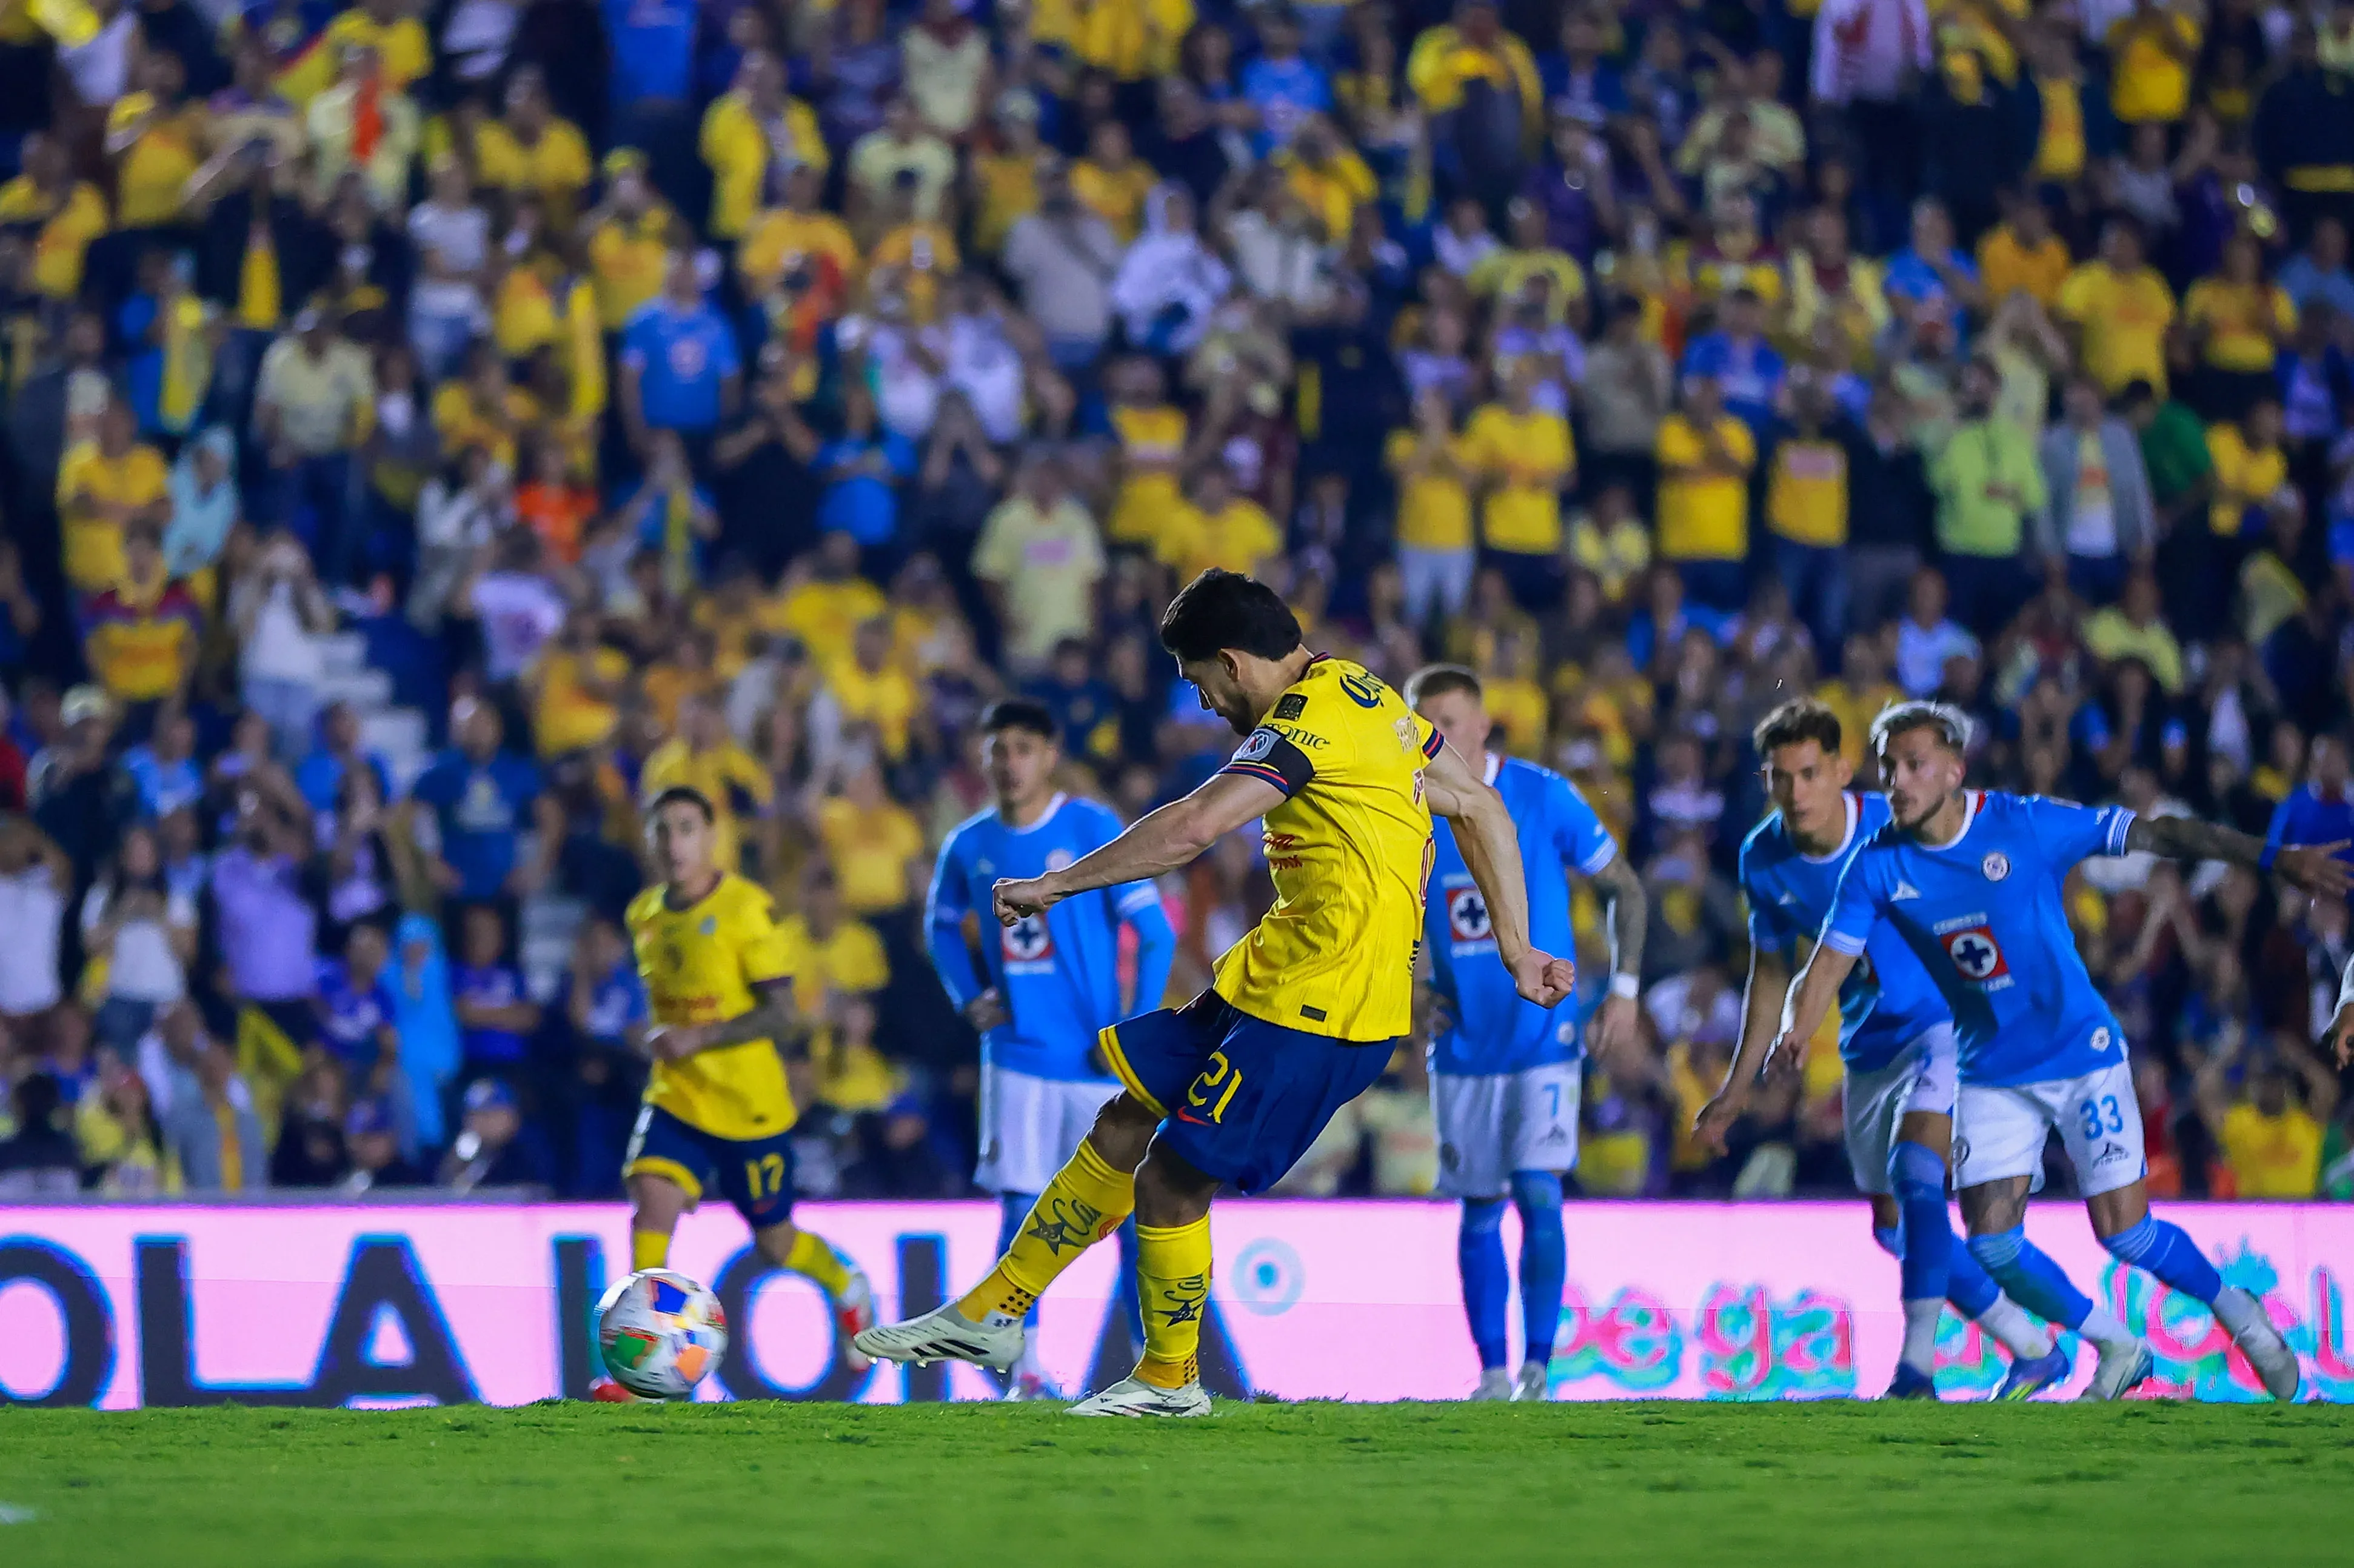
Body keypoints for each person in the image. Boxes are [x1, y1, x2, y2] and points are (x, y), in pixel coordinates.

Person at [857, 570, 1574, 1416]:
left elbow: (1194, 826)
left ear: (1233, 663)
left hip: (1321, 1007)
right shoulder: (1372, 698)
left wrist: (1057, 886)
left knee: (1168, 1180)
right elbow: (1481, 805)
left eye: (1200, 683)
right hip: (1270, 977)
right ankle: (994, 1313)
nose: (1202, 703)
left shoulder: (1302, 724)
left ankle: (1169, 1379)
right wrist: (1517, 946)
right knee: (1125, 1115)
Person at [1773, 701, 2350, 1400]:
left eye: (1913, 765)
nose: (1895, 781)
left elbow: (2159, 833)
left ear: (1954, 771)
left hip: (2082, 1055)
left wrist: (2270, 856)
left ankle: (2241, 1315)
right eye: (1888, 767)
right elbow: (1828, 961)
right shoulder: (1875, 866)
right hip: (1988, 1070)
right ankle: (2114, 1342)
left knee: (2126, 1235)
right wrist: (1795, 1028)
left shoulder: (2025, 823)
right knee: (1990, 1243)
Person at [1695, 699, 2065, 1401]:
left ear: (1841, 770)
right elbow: (1770, 972)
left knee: (1918, 1175)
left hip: (1947, 1022)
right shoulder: (1761, 858)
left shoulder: (1896, 822)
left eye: (1809, 774)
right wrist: (1736, 1089)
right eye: (1780, 777)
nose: (1795, 792)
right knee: (1894, 1227)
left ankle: (1916, 1370)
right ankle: (2033, 1347)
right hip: (1871, 1043)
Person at [1406, 664, 1648, 1403]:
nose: (1432, 737)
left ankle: (1539, 1369)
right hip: (1463, 1047)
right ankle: (1489, 1373)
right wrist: (1412, 991)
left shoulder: (1543, 795)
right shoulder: (1408, 810)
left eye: (1447, 721)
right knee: (1478, 1208)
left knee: (1539, 1193)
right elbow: (1392, 917)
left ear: (1483, 726)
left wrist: (1625, 994)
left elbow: (1625, 889)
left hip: (1544, 1034)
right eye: (1422, 724)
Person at [925, 698, 1176, 1400]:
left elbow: (1154, 934)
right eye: (998, 749)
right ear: (984, 759)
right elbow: (940, 926)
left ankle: (1149, 1366)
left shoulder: (1090, 827)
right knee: (1019, 1212)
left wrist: (1128, 1031)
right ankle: (1023, 1371)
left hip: (1095, 1066)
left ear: (1050, 755)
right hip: (1015, 1060)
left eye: (1024, 749)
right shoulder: (969, 845)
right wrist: (967, 996)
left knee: (1126, 1219)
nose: (1010, 763)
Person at [610, 785, 875, 1400]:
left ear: (709, 837)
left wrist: (700, 1036)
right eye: (663, 831)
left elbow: (783, 1013)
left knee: (776, 1243)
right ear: (649, 841)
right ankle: (639, 1372)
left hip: (749, 1107)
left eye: (686, 828)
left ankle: (846, 1284)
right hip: (677, 1095)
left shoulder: (745, 909)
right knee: (651, 1204)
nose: (674, 843)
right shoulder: (644, 915)